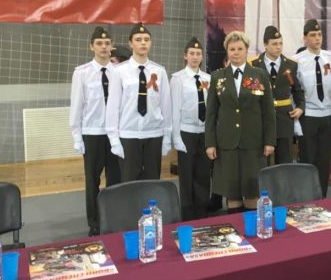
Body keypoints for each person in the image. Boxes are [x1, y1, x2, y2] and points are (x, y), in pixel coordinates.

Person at [204, 31, 276, 212]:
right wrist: (210, 143)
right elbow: (211, 114)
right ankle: (235, 227)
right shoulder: (217, 77)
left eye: (239, 49)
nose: (235, 52)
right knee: (232, 194)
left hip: (253, 144)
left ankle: (253, 227)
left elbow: (268, 112)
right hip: (227, 144)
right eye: (232, 49)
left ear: (246, 50)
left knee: (253, 193)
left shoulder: (260, 75)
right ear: (227, 51)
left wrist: (269, 141)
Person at [69, 27, 121, 236]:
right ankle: (94, 223)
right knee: (92, 181)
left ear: (112, 46)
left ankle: (113, 218)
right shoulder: (82, 73)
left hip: (115, 134)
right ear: (91, 46)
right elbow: (77, 105)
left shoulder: (119, 72)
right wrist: (77, 135)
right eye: (99, 43)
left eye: (107, 43)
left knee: (115, 180)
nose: (104, 47)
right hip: (92, 133)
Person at [105, 23, 172, 182]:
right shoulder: (119, 71)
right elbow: (113, 107)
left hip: (154, 134)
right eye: (138, 39)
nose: (143, 43)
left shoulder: (159, 71)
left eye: (146, 39)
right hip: (129, 134)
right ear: (130, 43)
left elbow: (166, 106)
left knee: (152, 182)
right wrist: (114, 139)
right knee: (129, 182)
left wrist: (167, 137)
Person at [293, 20, 331, 197]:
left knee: (324, 160)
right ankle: (307, 197)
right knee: (308, 160)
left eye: (319, 34)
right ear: (305, 38)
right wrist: (296, 120)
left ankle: (323, 197)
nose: (317, 38)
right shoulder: (297, 61)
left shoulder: (330, 58)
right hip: (308, 115)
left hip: (326, 114)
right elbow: (295, 91)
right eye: (312, 35)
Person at [250, 26, 305, 164]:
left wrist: (300, 107)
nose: (278, 47)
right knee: (262, 162)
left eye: (280, 43)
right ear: (265, 45)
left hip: (284, 118)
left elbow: (298, 90)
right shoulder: (253, 65)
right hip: (261, 119)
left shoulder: (291, 65)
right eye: (274, 44)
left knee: (285, 161)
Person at [171, 37, 211, 220]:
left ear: (202, 57)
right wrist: (176, 137)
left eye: (198, 54)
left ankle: (202, 210)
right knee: (186, 174)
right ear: (185, 56)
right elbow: (175, 109)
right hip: (186, 132)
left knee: (203, 173)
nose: (195, 57)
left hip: (203, 131)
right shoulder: (178, 79)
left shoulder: (208, 79)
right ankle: (187, 212)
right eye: (192, 53)